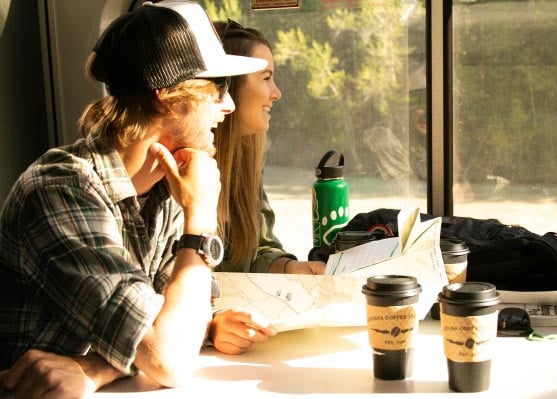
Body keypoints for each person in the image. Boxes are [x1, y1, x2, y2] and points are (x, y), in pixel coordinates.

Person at [0, 1, 275, 396]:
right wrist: (199, 227)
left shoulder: (165, 189)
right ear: (166, 96)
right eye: (218, 89)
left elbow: (170, 326)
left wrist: (94, 368)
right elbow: (168, 359)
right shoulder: (61, 191)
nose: (228, 105)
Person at [211, 19, 326, 275]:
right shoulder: (177, 172)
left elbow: (259, 250)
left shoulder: (244, 161)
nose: (276, 93)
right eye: (266, 78)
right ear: (228, 86)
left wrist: (290, 268)